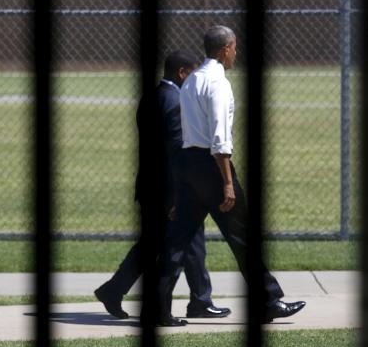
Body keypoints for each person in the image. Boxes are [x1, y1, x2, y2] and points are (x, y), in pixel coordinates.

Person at [158, 26, 306, 325]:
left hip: (188, 165)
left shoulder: (190, 81)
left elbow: (186, 134)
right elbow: (220, 139)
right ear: (225, 49)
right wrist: (227, 182)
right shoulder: (218, 83)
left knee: (176, 242)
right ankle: (269, 301)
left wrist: (179, 185)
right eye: (234, 47)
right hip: (213, 168)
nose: (236, 53)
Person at [94, 51, 232, 323]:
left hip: (150, 184)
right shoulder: (176, 101)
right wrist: (178, 194)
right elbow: (176, 152)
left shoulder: (152, 96)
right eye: (192, 74)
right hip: (170, 188)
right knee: (184, 242)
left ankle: (115, 291)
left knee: (163, 243)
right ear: (181, 73)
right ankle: (197, 302)